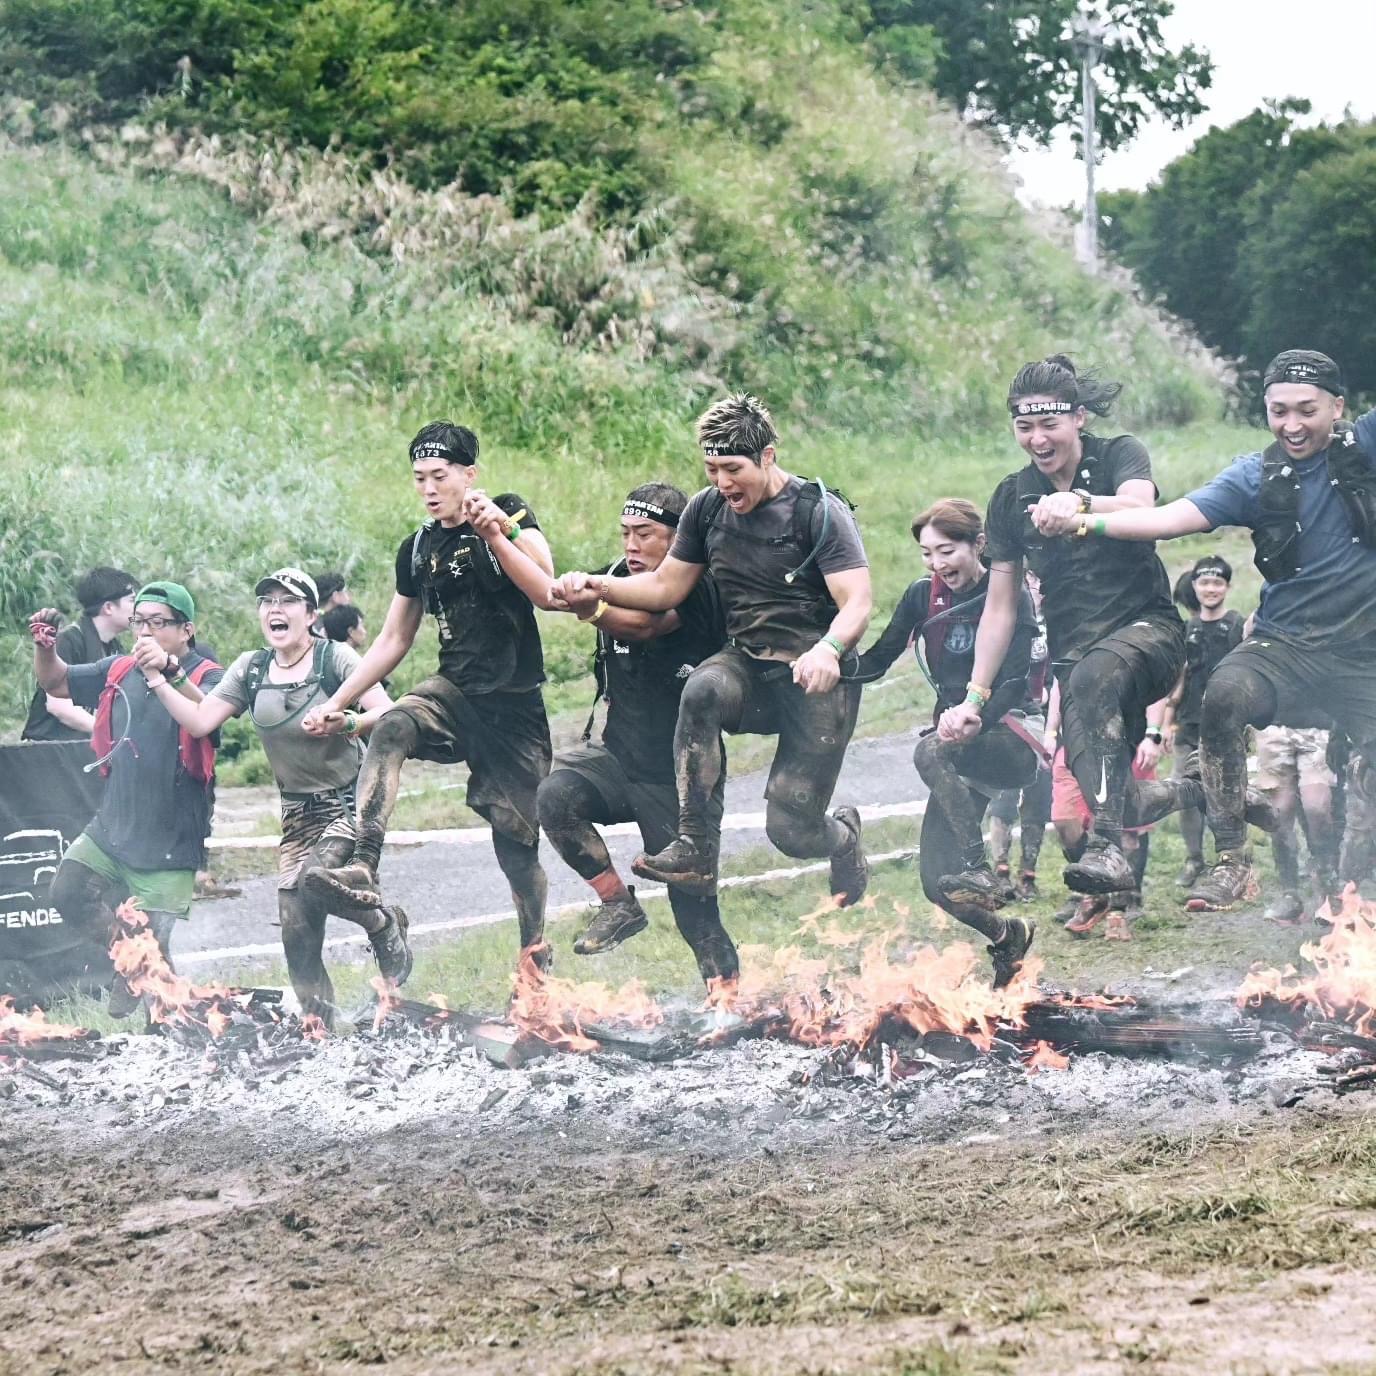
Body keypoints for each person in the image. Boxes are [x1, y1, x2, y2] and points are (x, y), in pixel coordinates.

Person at [1071, 349, 1371, 910]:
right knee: (1224, 693)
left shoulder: (1368, 447)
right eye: (1277, 411)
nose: (1291, 425)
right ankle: (1233, 859)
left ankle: (1353, 903)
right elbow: (1166, 519)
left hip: (1365, 657)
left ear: (1338, 407)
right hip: (1284, 646)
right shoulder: (1255, 477)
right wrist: (1087, 519)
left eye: (1306, 410)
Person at [551, 393, 872, 905]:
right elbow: (664, 588)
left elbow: (857, 600)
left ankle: (845, 839)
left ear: (767, 456)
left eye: (732, 468)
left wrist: (829, 649)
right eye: (711, 468)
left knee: (792, 831)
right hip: (748, 666)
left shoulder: (819, 512)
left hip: (815, 677)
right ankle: (695, 847)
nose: (722, 483)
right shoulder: (705, 510)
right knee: (702, 687)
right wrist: (595, 586)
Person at [941, 355, 1205, 899]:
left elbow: (1140, 504)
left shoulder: (1119, 455)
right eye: (1024, 426)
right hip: (1076, 662)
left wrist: (1079, 504)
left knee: (1094, 680)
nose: (1037, 438)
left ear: (1079, 418)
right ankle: (1205, 791)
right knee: (1118, 795)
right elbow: (1000, 608)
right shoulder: (1012, 497)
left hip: (1148, 634)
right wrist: (974, 696)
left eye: (1049, 425)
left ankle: (1108, 849)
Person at [301, 422, 554, 960]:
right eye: (420, 478)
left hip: (513, 705)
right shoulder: (417, 547)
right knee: (393, 724)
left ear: (469, 475)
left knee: (517, 841)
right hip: (453, 692)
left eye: (440, 476)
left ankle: (534, 949)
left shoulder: (507, 512)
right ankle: (365, 862)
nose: (430, 488)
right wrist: (337, 702)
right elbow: (394, 638)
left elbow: (546, 577)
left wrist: (497, 533)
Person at [135, 568, 409, 1020]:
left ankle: (383, 924)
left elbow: (389, 711)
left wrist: (348, 721)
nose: (275, 610)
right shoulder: (252, 667)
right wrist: (160, 679)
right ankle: (319, 1025)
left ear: (311, 614)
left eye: (288, 601)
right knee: (296, 927)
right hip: (297, 813)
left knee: (316, 881)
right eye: (267, 602)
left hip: (348, 800)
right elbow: (202, 719)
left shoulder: (334, 658)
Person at [536, 484, 739, 983]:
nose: (632, 545)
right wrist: (502, 532)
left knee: (696, 916)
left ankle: (726, 1003)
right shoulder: (612, 578)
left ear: (679, 539)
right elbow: (544, 595)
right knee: (555, 796)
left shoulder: (699, 587)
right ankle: (618, 904)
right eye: (626, 533)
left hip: (680, 781)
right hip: (617, 757)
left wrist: (592, 608)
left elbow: (648, 626)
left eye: (645, 534)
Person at [855, 499, 1038, 985]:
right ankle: (1007, 935)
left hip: (1012, 731)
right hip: (958, 743)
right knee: (938, 884)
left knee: (929, 748)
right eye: (927, 554)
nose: (938, 565)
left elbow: (1019, 679)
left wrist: (978, 714)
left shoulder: (1011, 592)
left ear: (978, 544)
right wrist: (828, 660)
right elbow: (878, 659)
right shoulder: (922, 596)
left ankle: (979, 867)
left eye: (948, 550)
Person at [29, 582, 222, 1012]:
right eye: (140, 621)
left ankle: (175, 1041)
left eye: (159, 622)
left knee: (159, 965)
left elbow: (209, 711)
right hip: (112, 825)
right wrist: (45, 648)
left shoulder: (208, 673)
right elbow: (56, 682)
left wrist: (169, 671)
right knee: (66, 892)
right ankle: (130, 958)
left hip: (171, 839)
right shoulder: (119, 667)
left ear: (186, 629)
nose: (146, 631)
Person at [1164, 557, 1245, 889]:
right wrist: (1167, 722)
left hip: (1226, 726)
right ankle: (1193, 858)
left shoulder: (1238, 626)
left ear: (1226, 587)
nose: (1210, 589)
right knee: (1187, 794)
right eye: (1204, 583)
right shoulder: (1187, 629)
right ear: (1194, 586)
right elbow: (1178, 678)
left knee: (1227, 795)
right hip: (1188, 724)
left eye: (1217, 583)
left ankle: (1231, 861)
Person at [987, 570, 1052, 901]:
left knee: (1039, 794)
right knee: (1005, 792)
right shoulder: (1002, 614)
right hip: (1007, 711)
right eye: (1027, 579)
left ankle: (1028, 872)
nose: (1033, 586)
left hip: (1043, 713)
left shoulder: (1056, 619)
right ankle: (999, 870)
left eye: (1037, 580)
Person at [22, 566, 136, 741]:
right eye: (131, 600)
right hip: (46, 750)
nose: (137, 608)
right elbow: (58, 705)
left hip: (79, 748)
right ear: (108, 607)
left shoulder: (115, 648)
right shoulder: (69, 640)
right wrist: (109, 733)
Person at [1252, 724, 1336, 922]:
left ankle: (1327, 891)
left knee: (1317, 808)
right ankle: (1289, 894)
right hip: (1273, 725)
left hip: (1317, 722)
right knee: (1279, 814)